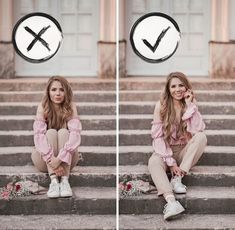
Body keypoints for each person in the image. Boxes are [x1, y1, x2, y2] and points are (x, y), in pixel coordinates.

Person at [148, 72, 207, 220]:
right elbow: (158, 137)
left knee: (201, 136)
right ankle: (171, 201)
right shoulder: (160, 106)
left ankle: (177, 179)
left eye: (181, 85)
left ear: (187, 87)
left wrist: (189, 106)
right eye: (173, 86)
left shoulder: (190, 104)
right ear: (168, 89)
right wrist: (170, 162)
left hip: (184, 152)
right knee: (153, 161)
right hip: (165, 152)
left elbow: (197, 129)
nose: (178, 89)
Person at [31, 76, 82, 198]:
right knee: (50, 133)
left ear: (66, 91)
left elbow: (75, 135)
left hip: (67, 161)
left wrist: (59, 159)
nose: (57, 93)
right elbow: (38, 136)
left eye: (61, 89)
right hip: (44, 160)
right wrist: (52, 160)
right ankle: (54, 182)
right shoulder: (43, 106)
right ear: (48, 92)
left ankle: (64, 181)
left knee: (65, 132)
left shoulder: (70, 106)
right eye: (54, 89)